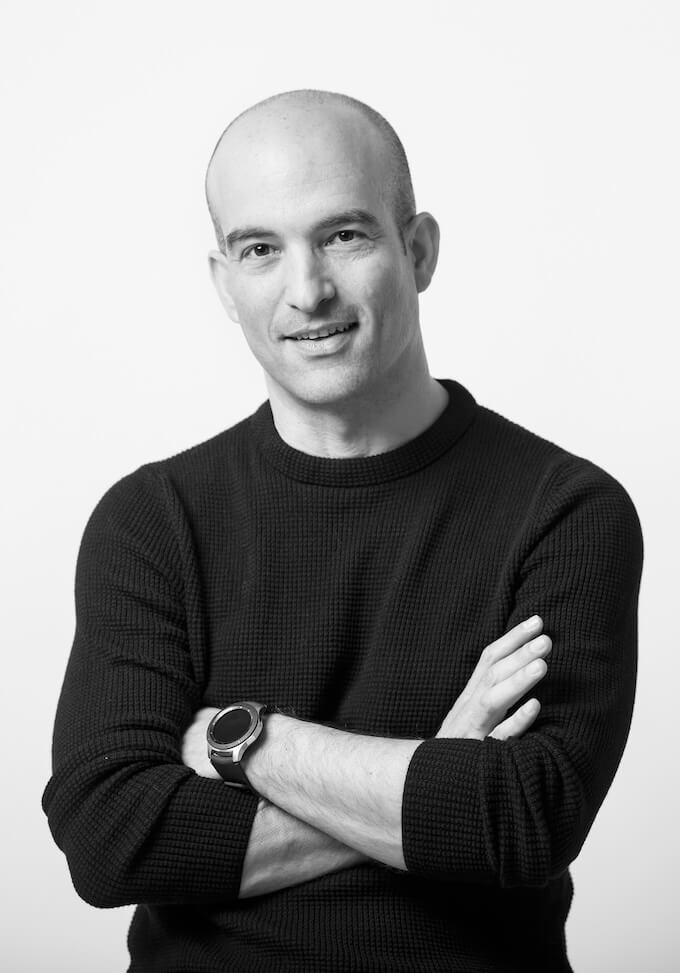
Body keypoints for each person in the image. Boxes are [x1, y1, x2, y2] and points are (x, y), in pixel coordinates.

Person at [43, 89, 643, 972]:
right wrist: (437, 768)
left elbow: (524, 819)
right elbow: (111, 840)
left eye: (344, 235)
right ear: (224, 281)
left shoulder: (565, 510)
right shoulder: (151, 521)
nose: (307, 291)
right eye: (261, 249)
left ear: (419, 250)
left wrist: (247, 741)